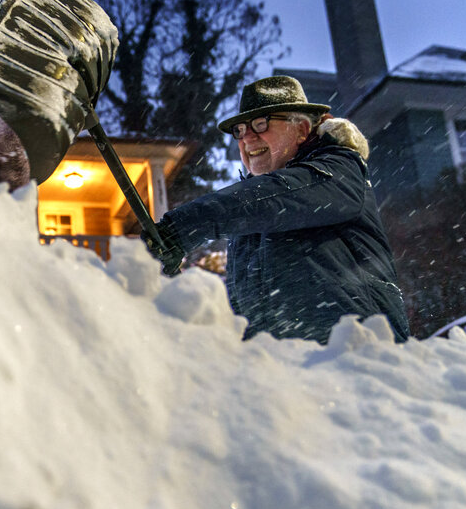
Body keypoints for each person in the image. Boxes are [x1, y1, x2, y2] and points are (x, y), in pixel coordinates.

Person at [144, 75, 410, 344]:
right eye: (240, 130)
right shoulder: (250, 214)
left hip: (358, 364)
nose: (247, 137)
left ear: (302, 130)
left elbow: (278, 195)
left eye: (261, 124)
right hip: (287, 374)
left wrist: (182, 228)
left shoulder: (337, 171)